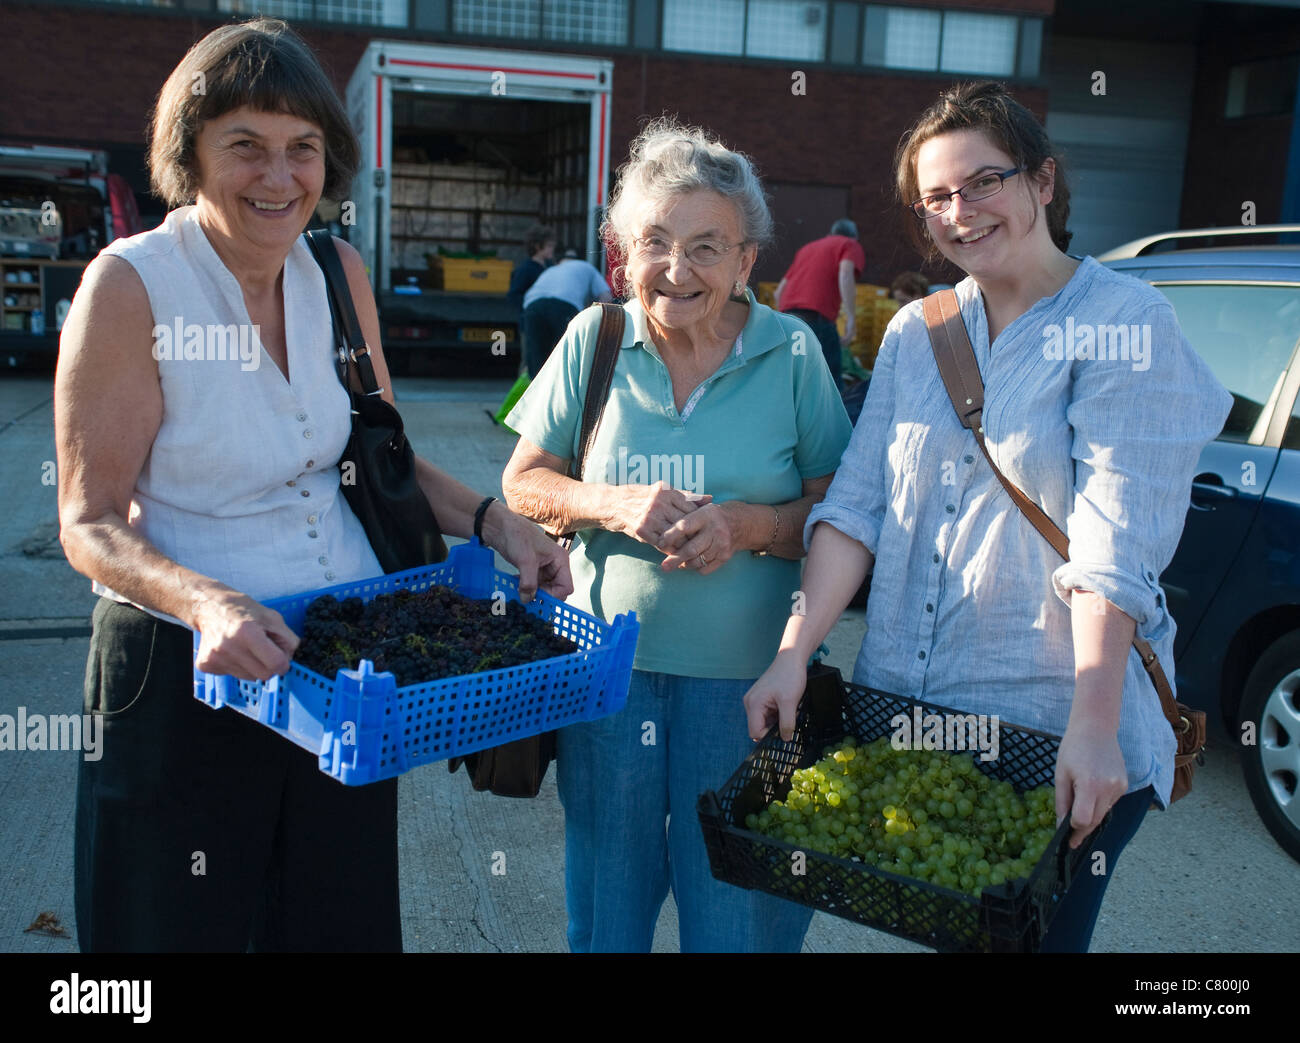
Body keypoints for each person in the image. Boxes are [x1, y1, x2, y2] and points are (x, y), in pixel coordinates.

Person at [55, 17, 572, 953]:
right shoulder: (130, 287)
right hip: (187, 672)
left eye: (303, 149)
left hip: (338, 667)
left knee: (335, 920)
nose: (279, 176)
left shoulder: (336, 271)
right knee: (172, 928)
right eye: (244, 146)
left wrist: (497, 523)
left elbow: (378, 457)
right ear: (190, 153)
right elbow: (88, 522)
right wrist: (206, 601)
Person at [744, 81, 1232, 953]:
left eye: (984, 182)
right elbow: (856, 510)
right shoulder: (916, 333)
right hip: (920, 721)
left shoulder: (1125, 325)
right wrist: (792, 652)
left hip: (1055, 730)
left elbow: (1111, 549)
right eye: (936, 197)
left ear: (1043, 182)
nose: (959, 212)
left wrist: (1090, 722)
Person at [500, 119, 852, 953]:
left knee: (736, 923)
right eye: (654, 241)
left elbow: (841, 514)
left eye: (706, 246)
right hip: (606, 683)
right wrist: (612, 504)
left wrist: (748, 524)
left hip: (749, 693)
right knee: (605, 921)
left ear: (745, 262)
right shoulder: (596, 338)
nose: (677, 268)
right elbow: (521, 484)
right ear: (623, 249)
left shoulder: (793, 352)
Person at [774, 218, 866, 392]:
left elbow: (778, 292)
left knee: (794, 379)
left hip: (788, 320)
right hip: (816, 319)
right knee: (829, 383)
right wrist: (851, 318)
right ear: (854, 237)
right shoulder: (849, 245)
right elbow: (846, 274)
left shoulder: (807, 249)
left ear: (831, 233)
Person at [519, 249, 613, 378]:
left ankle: (536, 392)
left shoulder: (550, 270)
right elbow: (606, 297)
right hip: (563, 306)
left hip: (532, 307)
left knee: (537, 360)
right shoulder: (587, 267)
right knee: (567, 355)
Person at [507, 222, 555, 314]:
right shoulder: (525, 269)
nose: (552, 249)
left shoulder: (551, 266)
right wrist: (531, 307)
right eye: (549, 246)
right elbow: (513, 295)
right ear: (537, 246)